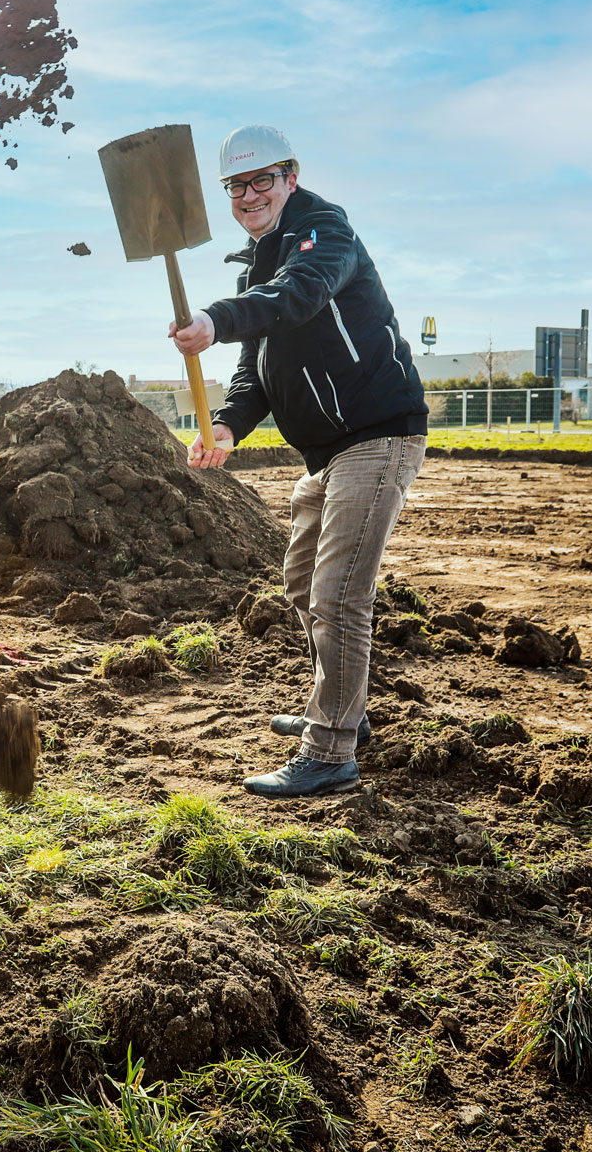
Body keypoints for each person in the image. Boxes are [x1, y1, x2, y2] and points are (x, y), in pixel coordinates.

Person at [171, 125, 428, 798]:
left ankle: (330, 751)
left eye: (262, 180)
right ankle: (344, 707)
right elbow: (254, 369)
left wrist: (219, 317)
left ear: (289, 176)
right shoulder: (259, 260)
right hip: (327, 451)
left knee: (338, 596)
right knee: (300, 585)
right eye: (236, 185)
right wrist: (227, 427)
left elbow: (301, 296)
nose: (249, 195)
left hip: (377, 434)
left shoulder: (323, 233)